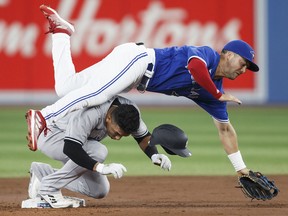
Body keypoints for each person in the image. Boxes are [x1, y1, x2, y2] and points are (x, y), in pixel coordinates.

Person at [27, 5, 259, 179]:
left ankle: (61, 33)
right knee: (96, 95)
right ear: (227, 54)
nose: (243, 68)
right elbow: (195, 67)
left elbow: (226, 130)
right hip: (139, 61)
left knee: (66, 87)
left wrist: (241, 168)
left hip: (133, 75)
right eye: (243, 62)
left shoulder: (213, 92)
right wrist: (218, 95)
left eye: (248, 67)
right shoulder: (208, 55)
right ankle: (45, 117)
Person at [26, 95, 177, 208]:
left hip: (78, 142)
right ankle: (48, 188)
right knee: (98, 151)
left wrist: (154, 154)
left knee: (99, 190)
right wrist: (101, 167)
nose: (117, 138)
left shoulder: (130, 113)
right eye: (117, 132)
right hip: (53, 135)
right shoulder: (92, 113)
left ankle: (42, 174)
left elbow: (143, 136)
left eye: (122, 136)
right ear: (109, 117)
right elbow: (71, 148)